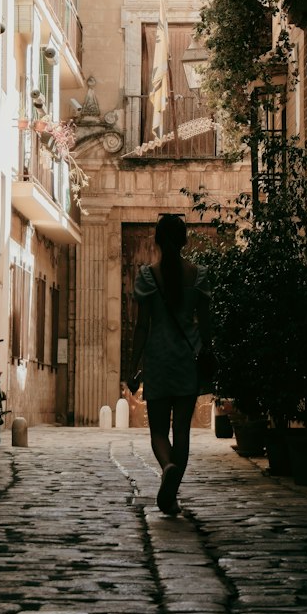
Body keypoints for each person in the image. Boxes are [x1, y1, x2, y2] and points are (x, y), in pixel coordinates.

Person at [129, 213, 212, 514]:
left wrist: (132, 364)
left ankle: (167, 468)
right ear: (184, 240)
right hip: (187, 361)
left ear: (158, 240)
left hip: (159, 360)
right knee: (183, 432)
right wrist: (209, 351)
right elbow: (205, 325)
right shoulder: (198, 275)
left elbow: (142, 326)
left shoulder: (148, 276)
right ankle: (171, 493)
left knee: (159, 431)